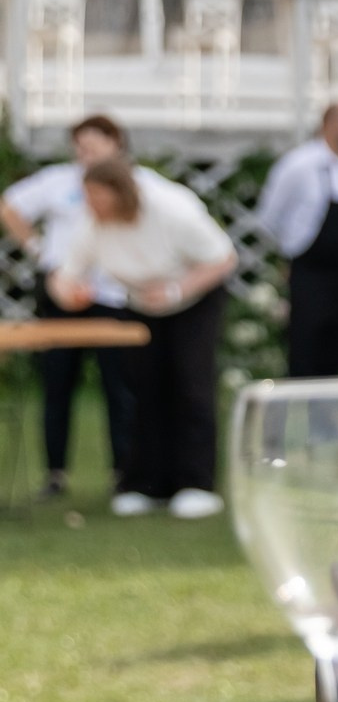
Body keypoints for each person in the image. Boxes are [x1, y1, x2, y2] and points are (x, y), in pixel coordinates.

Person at [52, 157, 237, 519]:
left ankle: (196, 483)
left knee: (190, 386)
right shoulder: (93, 223)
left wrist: (176, 291)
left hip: (193, 303)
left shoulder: (171, 210)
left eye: (98, 197)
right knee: (142, 389)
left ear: (120, 193)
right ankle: (145, 484)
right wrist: (68, 294)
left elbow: (223, 259)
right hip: (139, 306)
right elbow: (66, 274)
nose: (92, 205)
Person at [1, 112, 151, 498]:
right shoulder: (58, 181)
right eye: (80, 146)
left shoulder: (135, 184)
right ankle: (55, 472)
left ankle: (124, 471)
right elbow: (10, 206)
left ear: (116, 144)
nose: (85, 154)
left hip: (113, 292)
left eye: (93, 146)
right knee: (57, 383)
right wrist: (39, 250)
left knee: (119, 385)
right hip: (62, 291)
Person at [256, 103, 338, 377]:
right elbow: (269, 217)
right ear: (330, 124)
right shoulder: (298, 164)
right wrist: (289, 249)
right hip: (309, 270)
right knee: (306, 344)